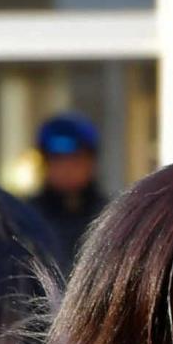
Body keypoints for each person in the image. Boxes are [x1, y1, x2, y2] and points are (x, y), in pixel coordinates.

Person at [29, 112, 108, 272]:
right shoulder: (27, 218)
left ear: (91, 162)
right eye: (58, 160)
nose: (67, 169)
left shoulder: (109, 216)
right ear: (45, 163)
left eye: (76, 159)